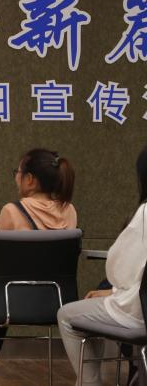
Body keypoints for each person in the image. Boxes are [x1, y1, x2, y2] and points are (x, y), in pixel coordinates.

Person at [0, 148, 78, 386]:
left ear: (30, 179)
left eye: (18, 172)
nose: (16, 178)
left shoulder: (12, 210)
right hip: (55, 301)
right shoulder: (69, 210)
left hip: (12, 299)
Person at [57, 145, 147, 386]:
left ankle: (90, 383)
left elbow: (121, 270)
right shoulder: (69, 211)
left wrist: (113, 292)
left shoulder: (145, 214)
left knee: (66, 315)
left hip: (139, 314)